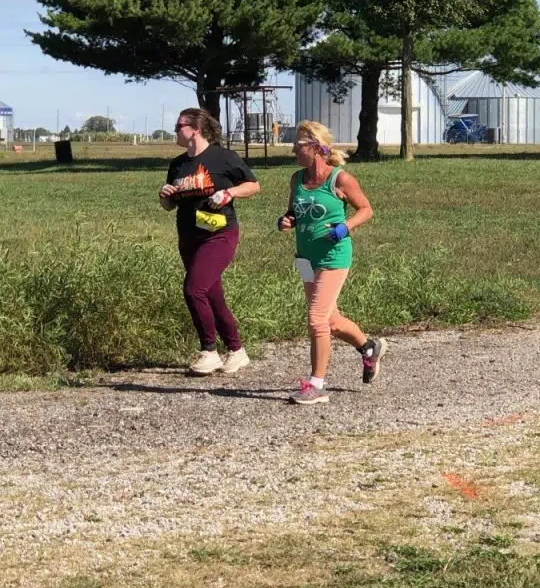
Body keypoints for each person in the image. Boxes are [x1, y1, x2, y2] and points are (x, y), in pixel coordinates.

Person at [277, 121, 386, 405]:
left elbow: (366, 210)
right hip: (305, 258)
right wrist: (287, 220)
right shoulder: (296, 179)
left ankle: (317, 385)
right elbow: (294, 212)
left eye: (299, 145)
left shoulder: (340, 179)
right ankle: (369, 348)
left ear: (316, 147)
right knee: (330, 320)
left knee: (316, 319)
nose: (294, 150)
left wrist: (344, 227)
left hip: (333, 257)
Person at [159, 108, 260, 375]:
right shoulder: (178, 164)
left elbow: (253, 185)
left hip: (219, 234)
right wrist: (165, 195)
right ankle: (237, 351)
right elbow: (169, 205)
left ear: (195, 129)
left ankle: (209, 351)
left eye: (179, 126)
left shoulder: (223, 157)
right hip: (188, 235)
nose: (175, 131)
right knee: (212, 295)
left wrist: (229, 193)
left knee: (194, 289)